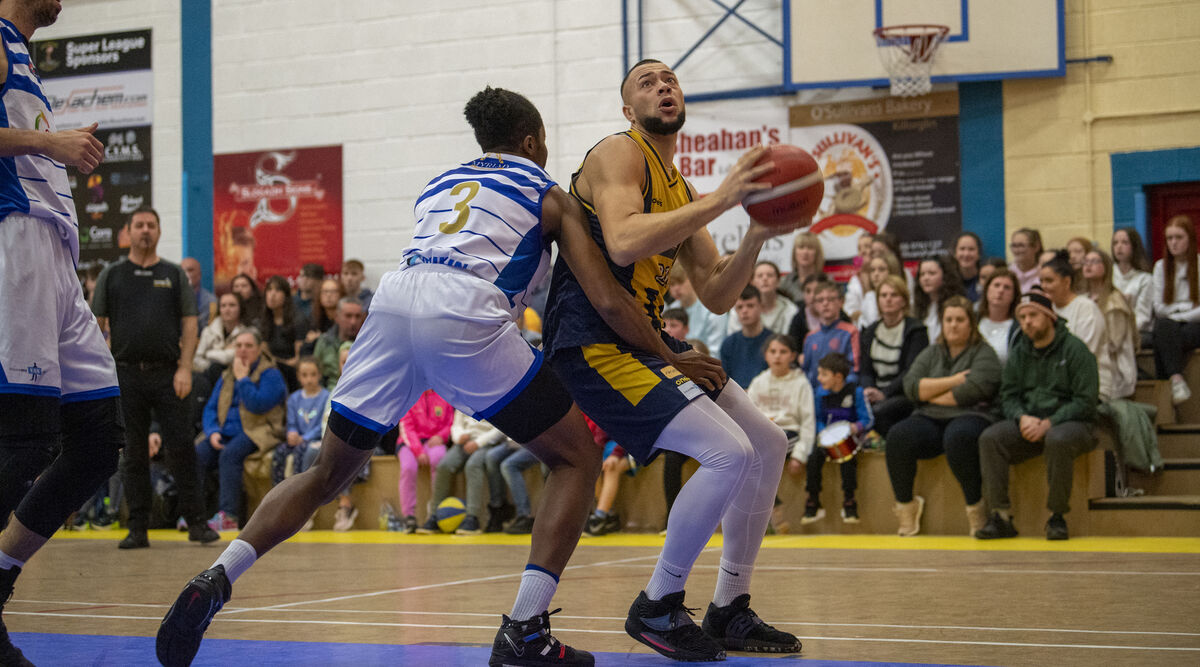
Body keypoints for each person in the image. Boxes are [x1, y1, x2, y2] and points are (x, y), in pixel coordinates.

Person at [159, 86, 709, 667]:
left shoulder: (439, 183)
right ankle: (524, 630)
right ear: (531, 141)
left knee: (326, 473)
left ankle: (218, 576)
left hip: (394, 304)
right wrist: (670, 353)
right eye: (543, 142)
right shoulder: (546, 192)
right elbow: (606, 297)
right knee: (574, 458)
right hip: (465, 309)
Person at [541, 59, 802, 660]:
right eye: (646, 82)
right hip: (591, 340)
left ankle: (729, 607)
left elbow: (715, 289)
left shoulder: (679, 188)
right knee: (726, 451)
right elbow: (627, 239)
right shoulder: (618, 152)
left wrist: (758, 231)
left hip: (645, 337)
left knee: (765, 443)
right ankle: (658, 603)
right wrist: (725, 196)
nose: (663, 85)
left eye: (671, 79)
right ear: (628, 109)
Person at [0, 4, 128, 662]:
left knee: (99, 440)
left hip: (57, 257)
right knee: (24, 439)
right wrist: (51, 144)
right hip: (15, 242)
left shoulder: (22, 54)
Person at [91, 207, 219, 550]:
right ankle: (138, 528)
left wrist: (184, 367)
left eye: (151, 225)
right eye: (139, 225)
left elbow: (190, 324)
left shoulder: (174, 274)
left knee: (181, 450)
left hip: (169, 374)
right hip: (125, 375)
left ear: (159, 232)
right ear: (128, 232)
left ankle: (196, 523)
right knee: (132, 453)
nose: (145, 231)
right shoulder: (112, 275)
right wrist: (102, 372)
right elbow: (96, 325)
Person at [976, 290, 1098, 541]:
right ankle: (1001, 516)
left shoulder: (1075, 349)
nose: (1027, 322)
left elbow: (1086, 401)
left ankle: (1057, 517)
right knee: (990, 438)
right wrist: (1021, 417)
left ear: (1050, 316)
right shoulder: (1020, 352)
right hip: (1031, 421)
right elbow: (1008, 396)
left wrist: (1050, 422)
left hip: (1073, 423)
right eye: (1022, 317)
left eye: (1033, 315)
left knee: (1057, 438)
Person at [888, 296, 1001, 536]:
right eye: (948, 319)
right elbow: (911, 387)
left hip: (971, 415)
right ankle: (906, 508)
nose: (953, 325)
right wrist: (954, 381)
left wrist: (928, 392)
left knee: (958, 437)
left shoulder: (984, 353)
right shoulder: (932, 352)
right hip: (929, 417)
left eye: (960, 319)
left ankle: (976, 507)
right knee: (898, 436)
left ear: (971, 323)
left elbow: (971, 392)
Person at [195, 329, 286, 532]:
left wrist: (244, 379)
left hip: (260, 430)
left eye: (248, 346)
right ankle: (196, 515)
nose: (243, 350)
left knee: (230, 454)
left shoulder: (271, 374)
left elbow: (258, 405)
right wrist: (212, 431)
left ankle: (229, 517)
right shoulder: (227, 373)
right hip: (225, 431)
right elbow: (210, 407)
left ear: (260, 349)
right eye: (239, 346)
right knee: (198, 453)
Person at [803, 352, 872, 525]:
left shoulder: (856, 392)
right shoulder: (820, 394)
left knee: (848, 459)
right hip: (826, 438)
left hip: (850, 439)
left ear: (838, 377)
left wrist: (857, 427)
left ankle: (850, 500)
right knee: (813, 458)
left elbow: (868, 419)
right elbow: (817, 418)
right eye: (819, 373)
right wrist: (823, 433)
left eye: (824, 374)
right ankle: (813, 500)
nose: (819, 378)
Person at [419, 410, 513, 535]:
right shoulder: (464, 393)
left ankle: (472, 518)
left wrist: (478, 443)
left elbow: (500, 429)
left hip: (487, 443)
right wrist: (459, 437)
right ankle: (434, 515)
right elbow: (456, 424)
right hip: (463, 442)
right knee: (444, 466)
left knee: (472, 466)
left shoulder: (494, 394)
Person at [858, 275, 928, 438]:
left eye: (894, 295)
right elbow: (865, 370)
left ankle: (894, 446)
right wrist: (869, 390)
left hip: (904, 393)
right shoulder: (870, 331)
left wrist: (885, 393)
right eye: (883, 295)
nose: (888, 299)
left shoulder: (916, 331)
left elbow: (911, 371)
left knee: (879, 411)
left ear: (904, 301)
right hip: (877, 392)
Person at [1040, 251, 1113, 401]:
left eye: (1049, 281)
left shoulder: (1086, 308)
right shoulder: (1046, 310)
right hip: (1054, 389)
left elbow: (1084, 355)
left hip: (1089, 388)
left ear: (1066, 282)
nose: (1044, 286)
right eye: (1041, 281)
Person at [747, 334, 815, 480]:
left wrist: (800, 454)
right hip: (763, 434)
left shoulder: (801, 383)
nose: (777, 356)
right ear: (766, 355)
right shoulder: (758, 382)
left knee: (770, 447)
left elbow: (808, 422)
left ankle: (772, 501)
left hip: (788, 433)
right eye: (772, 351)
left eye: (783, 352)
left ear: (792, 356)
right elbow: (748, 417)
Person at [1151, 214, 1200, 404]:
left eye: (1179, 238)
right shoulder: (1160, 267)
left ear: (1190, 239)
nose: (1174, 243)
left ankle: (1169, 383)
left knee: (1163, 334)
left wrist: (1178, 314)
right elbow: (1158, 308)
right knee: (1162, 327)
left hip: (1194, 326)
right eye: (1170, 238)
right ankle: (1177, 379)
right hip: (1172, 326)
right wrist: (1187, 307)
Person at [1081, 249, 1138, 399]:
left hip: (1112, 366)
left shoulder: (1115, 301)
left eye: (1094, 262)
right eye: (1085, 262)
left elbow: (1114, 344)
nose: (1088, 265)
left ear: (1106, 266)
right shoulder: (1082, 299)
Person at [397, 389, 452, 532]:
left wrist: (442, 436)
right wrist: (418, 450)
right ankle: (409, 516)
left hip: (434, 440)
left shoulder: (444, 394)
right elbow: (406, 427)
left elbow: (450, 423)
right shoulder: (409, 394)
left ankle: (435, 513)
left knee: (439, 460)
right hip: (409, 442)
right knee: (408, 467)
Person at [271, 358, 328, 485]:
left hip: (315, 440)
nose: (309, 379)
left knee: (300, 452)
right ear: (298, 376)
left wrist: (305, 438)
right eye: (304, 375)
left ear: (319, 375)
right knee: (279, 452)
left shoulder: (326, 397)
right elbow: (291, 423)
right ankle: (278, 490)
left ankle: (298, 489)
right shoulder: (293, 399)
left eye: (313, 375)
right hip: (297, 440)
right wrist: (292, 434)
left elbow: (323, 425)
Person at [801, 281, 860, 386]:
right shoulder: (810, 337)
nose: (825, 304)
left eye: (831, 299)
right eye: (820, 300)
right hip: (815, 394)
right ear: (814, 305)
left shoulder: (850, 332)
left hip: (841, 391)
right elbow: (806, 371)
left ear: (841, 302)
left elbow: (855, 369)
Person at [718, 285, 773, 389]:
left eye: (750, 306)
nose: (744, 311)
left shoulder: (772, 341)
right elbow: (725, 382)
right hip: (737, 399)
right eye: (740, 307)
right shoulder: (728, 344)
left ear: (761, 307)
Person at [1110, 227, 1154, 346]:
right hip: (1110, 330)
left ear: (1134, 246)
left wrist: (1121, 333)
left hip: (1137, 332)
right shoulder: (1109, 275)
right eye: (1115, 243)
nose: (1119, 247)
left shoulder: (1145, 279)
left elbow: (1143, 317)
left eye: (1124, 242)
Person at [729, 261, 796, 335]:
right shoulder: (739, 308)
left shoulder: (790, 309)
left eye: (770, 275)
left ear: (778, 281)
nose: (765, 279)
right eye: (760, 276)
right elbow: (734, 338)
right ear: (752, 282)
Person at [260, 276, 303, 391]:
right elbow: (263, 353)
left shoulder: (298, 320)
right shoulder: (262, 321)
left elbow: (297, 360)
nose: (272, 295)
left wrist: (276, 361)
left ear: (286, 296)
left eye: (278, 290)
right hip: (269, 370)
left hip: (290, 373)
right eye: (269, 290)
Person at [666, 273, 726, 353]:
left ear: (693, 280)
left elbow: (715, 352)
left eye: (680, 282)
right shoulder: (670, 309)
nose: (676, 288)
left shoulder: (713, 310)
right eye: (672, 284)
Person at [313, 296, 365, 387]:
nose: (353, 322)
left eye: (357, 316)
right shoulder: (324, 342)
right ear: (337, 317)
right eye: (348, 316)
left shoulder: (367, 344)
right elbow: (315, 375)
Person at [193, 293, 249, 378]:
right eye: (223, 306)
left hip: (237, 375)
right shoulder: (208, 331)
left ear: (240, 308)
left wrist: (208, 354)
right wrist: (211, 366)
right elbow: (197, 359)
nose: (227, 309)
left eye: (232, 305)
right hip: (209, 375)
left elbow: (228, 357)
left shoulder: (247, 333)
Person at [913, 255, 965, 341]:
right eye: (922, 274)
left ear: (945, 276)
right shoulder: (918, 307)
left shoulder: (956, 305)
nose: (926, 278)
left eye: (932, 273)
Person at [977, 268, 1020, 365]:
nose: (1001, 290)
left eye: (1007, 287)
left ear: (1014, 296)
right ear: (987, 289)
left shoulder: (1018, 329)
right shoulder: (973, 319)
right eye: (996, 285)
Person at [857, 250, 903, 329]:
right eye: (872, 270)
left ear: (892, 270)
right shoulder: (869, 297)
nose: (876, 274)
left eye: (881, 269)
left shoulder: (901, 294)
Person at [778, 231, 824, 304]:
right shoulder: (784, 283)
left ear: (817, 253)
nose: (805, 252)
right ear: (794, 252)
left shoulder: (826, 281)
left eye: (810, 248)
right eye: (801, 247)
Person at [299, 278, 342, 356]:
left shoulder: (346, 318)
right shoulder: (313, 319)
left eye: (333, 291)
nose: (329, 295)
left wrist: (319, 337)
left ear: (341, 295)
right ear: (319, 295)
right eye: (325, 292)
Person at [182, 257, 218, 330]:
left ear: (199, 275)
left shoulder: (211, 302)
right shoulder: (169, 299)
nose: (186, 274)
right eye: (182, 271)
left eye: (190, 270)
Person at [1009, 228, 1044, 295]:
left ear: (1036, 247)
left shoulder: (1042, 273)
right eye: (1014, 246)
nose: (1017, 250)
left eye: (1021, 245)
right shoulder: (1008, 272)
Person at [953, 232, 984, 302]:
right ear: (955, 253)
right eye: (962, 249)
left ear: (979, 254)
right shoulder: (947, 282)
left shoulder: (985, 279)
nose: (966, 254)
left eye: (971, 249)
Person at [292, 263, 324, 327]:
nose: (304, 279)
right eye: (301, 276)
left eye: (309, 276)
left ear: (319, 281)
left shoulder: (323, 302)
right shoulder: (290, 301)